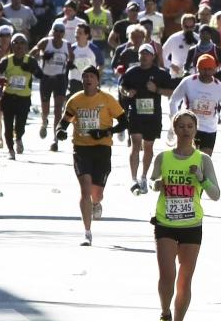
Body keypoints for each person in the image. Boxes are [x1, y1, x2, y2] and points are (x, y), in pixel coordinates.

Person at [149, 110, 221, 321]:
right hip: (166, 222)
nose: (186, 130)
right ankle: (164, 314)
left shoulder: (203, 160)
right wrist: (157, 184)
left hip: (191, 224)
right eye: (181, 126)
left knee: (184, 280)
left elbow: (216, 195)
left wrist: (201, 178)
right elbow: (151, 180)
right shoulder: (163, 157)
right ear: (175, 128)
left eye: (190, 126)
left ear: (196, 129)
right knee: (167, 275)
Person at [59, 65, 128, 246]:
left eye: (91, 76)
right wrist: (60, 131)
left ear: (97, 81)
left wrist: (106, 132)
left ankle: (96, 204)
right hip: (81, 149)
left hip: (102, 150)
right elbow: (64, 121)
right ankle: (87, 232)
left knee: (96, 193)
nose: (88, 79)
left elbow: (124, 122)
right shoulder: (75, 100)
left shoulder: (107, 100)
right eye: (85, 77)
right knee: (85, 190)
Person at [119, 45, 176, 194]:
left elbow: (172, 92)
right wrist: (127, 92)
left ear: (153, 56)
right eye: (141, 53)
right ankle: (133, 178)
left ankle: (144, 176)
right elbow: (121, 87)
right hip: (136, 114)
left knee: (148, 146)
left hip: (153, 116)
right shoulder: (132, 72)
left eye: (147, 54)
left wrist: (156, 89)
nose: (144, 56)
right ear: (138, 56)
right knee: (136, 144)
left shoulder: (161, 74)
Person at [168, 54, 221, 154]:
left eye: (209, 69)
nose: (206, 72)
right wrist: (176, 119)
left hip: (209, 129)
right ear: (197, 68)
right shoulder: (188, 82)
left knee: (204, 161)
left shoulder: (219, 87)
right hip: (188, 128)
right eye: (203, 69)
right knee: (187, 158)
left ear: (215, 69)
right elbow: (173, 101)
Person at [0, 33, 37, 159]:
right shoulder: (7, 60)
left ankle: (19, 138)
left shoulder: (31, 61)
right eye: (15, 43)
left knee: (20, 125)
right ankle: (11, 149)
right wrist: (1, 78)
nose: (19, 46)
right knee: (8, 124)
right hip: (9, 97)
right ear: (11, 46)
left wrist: (31, 69)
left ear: (26, 46)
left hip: (24, 98)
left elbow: (41, 74)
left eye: (22, 43)